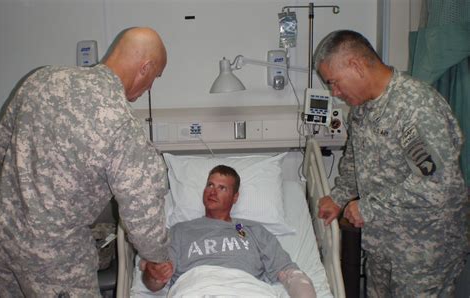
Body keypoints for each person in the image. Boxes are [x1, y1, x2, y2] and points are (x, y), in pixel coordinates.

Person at [0, 27, 170, 297]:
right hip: (54, 261)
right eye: (155, 78)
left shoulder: (41, 79)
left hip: (2, 234)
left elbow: (1, 147)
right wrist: (157, 257)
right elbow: (143, 212)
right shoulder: (121, 125)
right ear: (145, 67)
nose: (150, 87)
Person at [314, 30, 468, 297]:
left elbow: (438, 187)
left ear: (356, 65)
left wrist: (368, 207)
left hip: (424, 252)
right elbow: (354, 162)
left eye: (334, 83)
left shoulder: (415, 108)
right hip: (383, 244)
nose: (335, 93)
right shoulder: (362, 109)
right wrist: (338, 197)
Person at [141, 165, 317, 298]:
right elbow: (154, 283)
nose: (212, 191)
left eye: (222, 188)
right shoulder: (179, 231)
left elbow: (289, 273)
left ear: (235, 197)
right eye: (210, 185)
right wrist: (154, 274)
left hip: (247, 291)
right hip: (196, 290)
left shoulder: (253, 230)